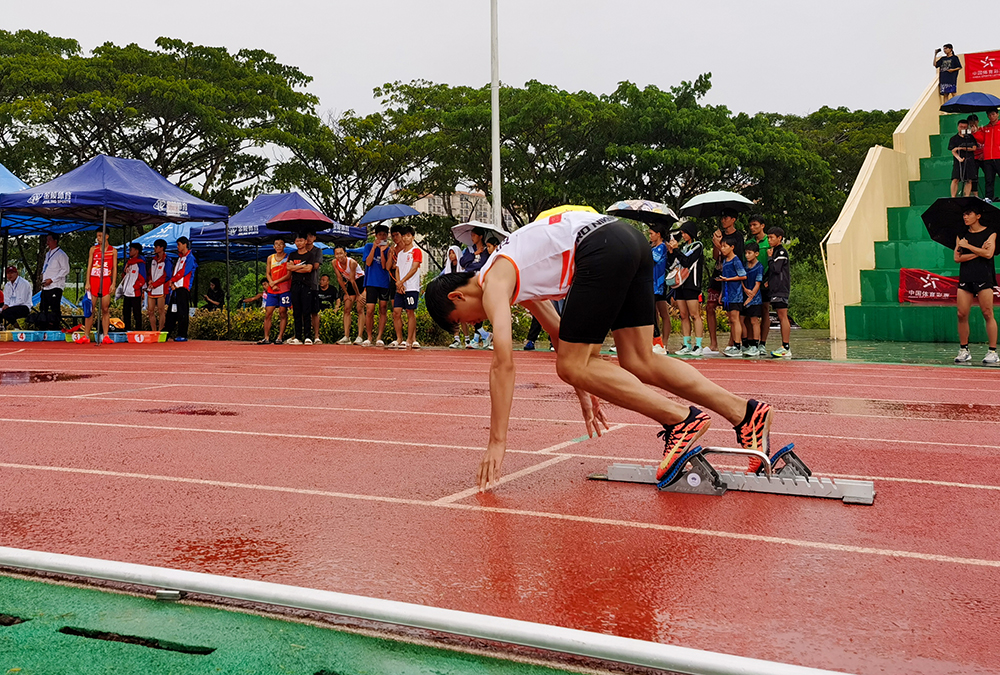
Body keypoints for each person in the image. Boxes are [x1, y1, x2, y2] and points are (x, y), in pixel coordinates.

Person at [425, 210, 775, 490]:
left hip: (599, 248)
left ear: (458, 296)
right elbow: (562, 336)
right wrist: (585, 388)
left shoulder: (494, 281)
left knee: (572, 365)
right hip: (627, 240)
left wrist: (497, 442)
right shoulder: (512, 275)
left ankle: (681, 420)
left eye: (464, 320)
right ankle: (745, 413)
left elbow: (503, 362)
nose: (474, 323)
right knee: (640, 359)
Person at [953, 205, 998, 364]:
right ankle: (964, 350)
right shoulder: (962, 235)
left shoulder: (990, 232)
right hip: (966, 276)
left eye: (968, 214)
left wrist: (969, 247)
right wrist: (976, 252)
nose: (965, 217)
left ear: (977, 216)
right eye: (964, 214)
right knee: (961, 314)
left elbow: (988, 254)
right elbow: (957, 258)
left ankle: (992, 351)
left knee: (987, 312)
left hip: (984, 276)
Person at [706, 209, 745, 354]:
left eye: (726, 217)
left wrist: (719, 245)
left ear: (733, 219)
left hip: (731, 277)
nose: (723, 220)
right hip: (718, 274)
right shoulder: (719, 235)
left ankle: (733, 343)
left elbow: (736, 256)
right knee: (710, 307)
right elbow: (716, 256)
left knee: (732, 312)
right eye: (722, 218)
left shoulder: (738, 237)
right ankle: (713, 344)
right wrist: (716, 243)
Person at [349, 225, 392, 347]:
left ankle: (379, 337)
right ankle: (369, 337)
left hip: (383, 282)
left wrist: (383, 251)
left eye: (384, 235)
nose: (382, 237)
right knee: (369, 310)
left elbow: (384, 266)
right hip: (371, 282)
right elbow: (368, 262)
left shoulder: (388, 249)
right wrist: (374, 248)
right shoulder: (368, 246)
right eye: (380, 235)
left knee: (383, 308)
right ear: (376, 236)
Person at [669, 222, 705, 356]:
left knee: (695, 315)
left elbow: (687, 262)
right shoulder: (683, 247)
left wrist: (677, 250)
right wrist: (672, 251)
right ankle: (686, 344)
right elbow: (673, 263)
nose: (683, 235)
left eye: (685, 233)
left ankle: (699, 345)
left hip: (691, 284)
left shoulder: (697, 246)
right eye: (682, 233)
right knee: (683, 315)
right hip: (680, 284)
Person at [459, 227, 493, 349]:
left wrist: (473, 264)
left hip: (480, 280)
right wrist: (474, 254)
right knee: (471, 308)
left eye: (474, 235)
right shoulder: (469, 249)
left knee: (478, 307)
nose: (472, 238)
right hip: (469, 279)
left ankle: (477, 338)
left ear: (480, 236)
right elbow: (462, 263)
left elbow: (484, 265)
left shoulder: (487, 250)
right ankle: (482, 336)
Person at [391, 225, 424, 349]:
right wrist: (398, 283)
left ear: (413, 237)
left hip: (411, 287)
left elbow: (414, 268)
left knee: (410, 311)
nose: (406, 238)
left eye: (408, 235)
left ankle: (410, 339)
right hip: (401, 287)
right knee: (396, 312)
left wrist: (403, 281)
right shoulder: (400, 254)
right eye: (404, 236)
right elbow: (398, 269)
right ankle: (399, 338)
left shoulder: (416, 251)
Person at [84, 230, 118, 344]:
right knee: (90, 308)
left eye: (100, 236)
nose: (98, 238)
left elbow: (114, 268)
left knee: (105, 308)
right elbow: (89, 266)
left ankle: (106, 335)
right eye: (97, 236)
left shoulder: (113, 251)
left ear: (107, 236)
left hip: (106, 280)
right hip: (94, 280)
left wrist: (113, 283)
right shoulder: (93, 249)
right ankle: (86, 335)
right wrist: (87, 282)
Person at [717, 238, 746, 358]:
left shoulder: (736, 260)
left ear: (732, 247)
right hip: (727, 295)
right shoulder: (725, 261)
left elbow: (743, 276)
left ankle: (738, 345)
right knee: (731, 321)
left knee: (735, 320)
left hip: (736, 295)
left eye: (725, 246)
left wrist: (728, 280)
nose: (723, 249)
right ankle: (735, 344)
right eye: (722, 246)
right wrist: (721, 294)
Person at [164, 236, 196, 342]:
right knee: (171, 312)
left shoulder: (190, 258)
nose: (177, 247)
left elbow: (184, 272)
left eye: (179, 244)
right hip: (175, 288)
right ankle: (167, 332)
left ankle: (182, 334)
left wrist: (172, 280)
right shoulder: (180, 258)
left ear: (184, 244)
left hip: (183, 288)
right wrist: (172, 283)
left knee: (182, 312)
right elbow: (176, 271)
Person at [746, 215, 771, 350]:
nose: (752, 228)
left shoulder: (769, 241)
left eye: (755, 225)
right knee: (751, 313)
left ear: (762, 226)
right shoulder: (749, 242)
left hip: (765, 281)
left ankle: (762, 343)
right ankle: (752, 342)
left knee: (765, 310)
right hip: (750, 283)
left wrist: (767, 279)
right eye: (750, 225)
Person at [767, 227, 792, 358]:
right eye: (768, 237)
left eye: (772, 237)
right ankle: (784, 346)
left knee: (783, 316)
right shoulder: (775, 251)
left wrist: (770, 258)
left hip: (781, 289)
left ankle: (786, 347)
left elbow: (776, 269)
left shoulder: (781, 252)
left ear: (779, 238)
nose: (769, 240)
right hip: (775, 288)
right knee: (780, 315)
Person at [441, 245, 472, 349]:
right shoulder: (448, 268)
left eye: (453, 253)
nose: (451, 255)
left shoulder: (462, 267)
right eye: (449, 253)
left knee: (462, 318)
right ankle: (456, 339)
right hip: (451, 295)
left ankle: (467, 339)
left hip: (461, 294)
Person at [333, 246, 365, 345]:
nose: (339, 256)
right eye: (337, 254)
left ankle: (359, 336)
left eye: (341, 253)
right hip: (351, 284)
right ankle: (346, 336)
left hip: (360, 281)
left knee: (359, 307)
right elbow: (339, 278)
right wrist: (346, 293)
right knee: (347, 308)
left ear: (345, 254)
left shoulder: (352, 262)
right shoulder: (334, 262)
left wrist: (359, 295)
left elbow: (352, 279)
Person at [649, 224, 671, 355]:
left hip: (657, 285)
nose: (650, 236)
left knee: (652, 314)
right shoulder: (653, 247)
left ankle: (659, 343)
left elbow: (652, 259)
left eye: (652, 233)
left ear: (658, 234)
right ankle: (655, 341)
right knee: (654, 313)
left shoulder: (661, 247)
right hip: (651, 284)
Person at [40, 233, 69, 330]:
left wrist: (52, 279)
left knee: (54, 308)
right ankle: (44, 326)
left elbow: (65, 269)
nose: (47, 242)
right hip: (46, 286)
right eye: (47, 240)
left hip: (55, 286)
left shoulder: (61, 254)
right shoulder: (48, 254)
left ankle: (55, 327)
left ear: (55, 241)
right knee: (43, 308)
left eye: (49, 240)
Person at [741, 242, 764, 356]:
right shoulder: (744, 265)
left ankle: (755, 346)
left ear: (756, 254)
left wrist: (751, 296)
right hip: (743, 296)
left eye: (749, 253)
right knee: (741, 320)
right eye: (746, 253)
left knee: (754, 321)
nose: (747, 255)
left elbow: (758, 283)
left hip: (755, 299)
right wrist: (745, 289)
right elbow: (741, 279)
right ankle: (745, 344)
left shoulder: (759, 267)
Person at [972, 108, 1000, 202]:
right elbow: (981, 139)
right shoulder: (985, 128)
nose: (991, 116)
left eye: (993, 114)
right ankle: (989, 197)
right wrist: (975, 132)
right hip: (988, 158)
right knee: (989, 179)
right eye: (989, 115)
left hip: (998, 156)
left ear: (997, 114)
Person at [304, 232, 326, 345]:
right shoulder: (300, 251)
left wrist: (303, 265)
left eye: (311, 236)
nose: (309, 238)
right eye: (307, 236)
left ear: (315, 238)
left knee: (314, 311)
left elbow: (316, 266)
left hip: (313, 284)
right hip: (301, 284)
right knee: (303, 311)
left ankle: (316, 336)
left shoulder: (317, 250)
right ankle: (302, 335)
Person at [146, 239, 171, 333]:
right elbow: (149, 273)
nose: (155, 249)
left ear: (161, 248)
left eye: (156, 247)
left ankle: (160, 331)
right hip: (151, 288)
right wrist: (149, 281)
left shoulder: (167, 260)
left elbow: (167, 275)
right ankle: (153, 331)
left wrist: (155, 284)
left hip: (161, 288)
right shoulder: (152, 260)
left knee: (161, 311)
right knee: (150, 311)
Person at [121, 243, 147, 331]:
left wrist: (135, 287)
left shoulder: (141, 263)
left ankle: (138, 330)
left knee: (136, 313)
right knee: (126, 312)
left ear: (136, 251)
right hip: (126, 291)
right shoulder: (128, 262)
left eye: (131, 250)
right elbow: (124, 276)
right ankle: (127, 329)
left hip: (135, 292)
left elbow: (143, 277)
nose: (129, 251)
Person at [949, 119, 977, 198]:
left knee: (969, 180)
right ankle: (953, 197)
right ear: (958, 127)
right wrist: (959, 157)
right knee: (955, 179)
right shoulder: (953, 139)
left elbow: (974, 148)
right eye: (961, 127)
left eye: (965, 127)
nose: (962, 129)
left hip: (969, 160)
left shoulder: (970, 137)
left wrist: (962, 148)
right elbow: (953, 150)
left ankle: (966, 196)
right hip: (958, 162)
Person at [968, 115, 984, 197]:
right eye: (970, 123)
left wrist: (976, 132)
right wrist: (971, 133)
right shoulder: (967, 133)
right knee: (974, 177)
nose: (972, 124)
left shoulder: (982, 130)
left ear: (977, 122)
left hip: (983, 156)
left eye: (974, 122)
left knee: (989, 176)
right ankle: (975, 195)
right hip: (973, 158)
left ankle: (989, 196)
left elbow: (984, 140)